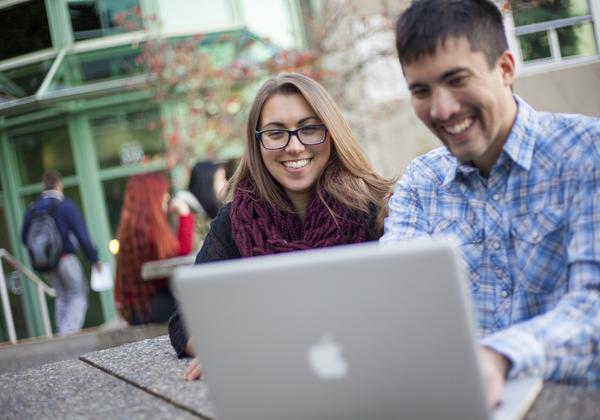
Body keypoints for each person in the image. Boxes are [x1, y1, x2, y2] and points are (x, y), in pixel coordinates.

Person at [381, 0, 600, 406]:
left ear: (505, 69)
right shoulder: (421, 183)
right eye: (421, 90)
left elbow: (594, 306)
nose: (442, 108)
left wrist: (498, 357)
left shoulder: (589, 154)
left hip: (576, 400)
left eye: (457, 79)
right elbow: (401, 303)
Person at [169, 72, 394, 380]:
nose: (295, 146)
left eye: (309, 128)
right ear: (257, 143)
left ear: (331, 133)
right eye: (276, 133)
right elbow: (186, 321)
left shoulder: (378, 210)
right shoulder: (235, 221)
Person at [21, 170, 101, 335]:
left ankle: (61, 333)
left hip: (46, 263)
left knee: (62, 296)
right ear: (59, 185)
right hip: (66, 259)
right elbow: (82, 236)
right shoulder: (65, 206)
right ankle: (68, 333)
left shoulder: (32, 209)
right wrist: (94, 258)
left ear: (44, 185)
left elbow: (24, 238)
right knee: (78, 293)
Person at [114, 172, 195, 325]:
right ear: (152, 197)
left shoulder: (136, 229)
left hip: (139, 307)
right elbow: (179, 259)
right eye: (163, 192)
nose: (167, 197)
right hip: (148, 307)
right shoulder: (147, 231)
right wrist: (185, 215)